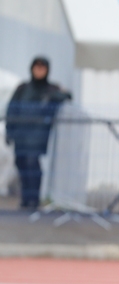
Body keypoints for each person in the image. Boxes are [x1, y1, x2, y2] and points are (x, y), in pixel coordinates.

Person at [4, 57, 71, 209]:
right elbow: (12, 109)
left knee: (32, 164)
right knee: (21, 164)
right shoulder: (23, 88)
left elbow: (66, 96)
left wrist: (53, 96)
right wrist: (10, 130)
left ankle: (34, 198)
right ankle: (26, 198)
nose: (39, 70)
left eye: (42, 68)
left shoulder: (51, 89)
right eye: (37, 67)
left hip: (38, 136)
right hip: (21, 135)